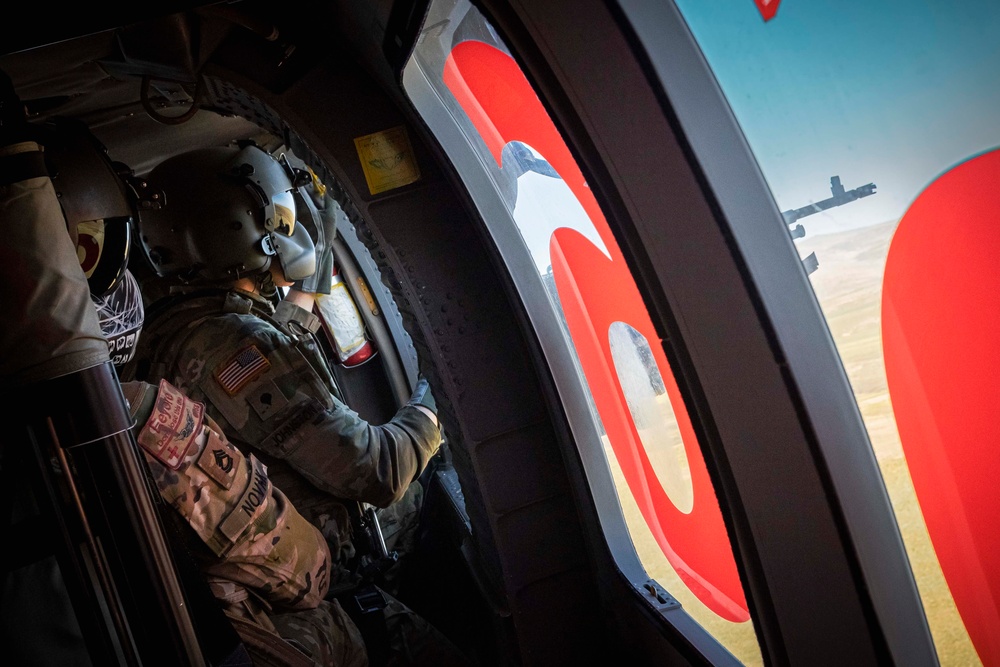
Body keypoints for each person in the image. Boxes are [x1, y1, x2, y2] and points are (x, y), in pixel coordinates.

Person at [120, 143, 470, 666]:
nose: (288, 229)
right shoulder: (236, 342)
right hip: (311, 588)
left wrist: (298, 304)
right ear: (238, 228)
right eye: (278, 216)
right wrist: (437, 399)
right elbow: (380, 468)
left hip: (248, 576)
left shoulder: (161, 333)